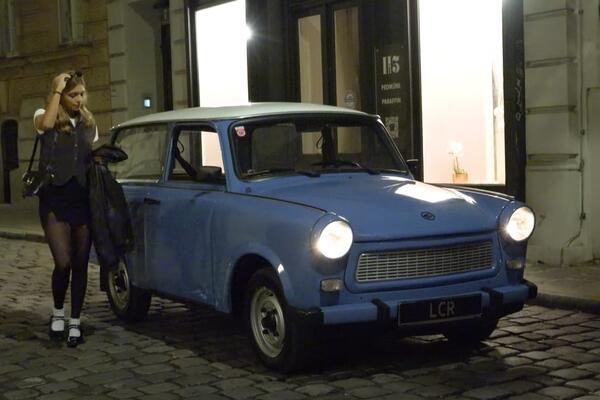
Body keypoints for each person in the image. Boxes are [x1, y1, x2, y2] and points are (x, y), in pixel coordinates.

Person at [33, 71, 98, 347]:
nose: (79, 99)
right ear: (60, 96)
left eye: (81, 93)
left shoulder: (89, 122)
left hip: (81, 200)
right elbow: (47, 124)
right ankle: (58, 313)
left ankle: (74, 322)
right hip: (54, 200)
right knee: (63, 263)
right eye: (73, 95)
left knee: (81, 265)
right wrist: (57, 91)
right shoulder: (43, 115)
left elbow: (90, 158)